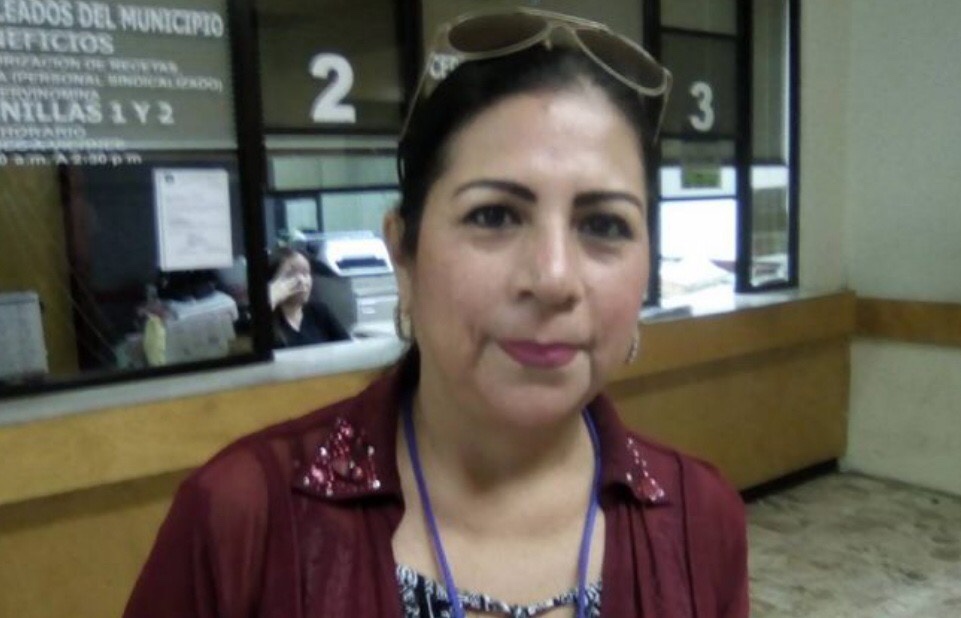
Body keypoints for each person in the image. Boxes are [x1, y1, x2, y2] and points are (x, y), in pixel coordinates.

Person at [124, 8, 748, 618]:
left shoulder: (699, 521)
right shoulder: (245, 521)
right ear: (403, 252)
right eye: (494, 215)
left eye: (605, 225)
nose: (554, 279)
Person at [267, 247, 349, 347]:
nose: (302, 281)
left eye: (306, 273)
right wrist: (270, 299)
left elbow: (348, 347)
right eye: (290, 274)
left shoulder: (318, 311)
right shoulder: (267, 318)